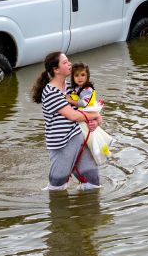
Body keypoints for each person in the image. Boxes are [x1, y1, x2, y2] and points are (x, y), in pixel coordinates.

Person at [31, 51, 102, 191]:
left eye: (68, 61)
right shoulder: (50, 92)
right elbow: (73, 116)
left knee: (93, 183)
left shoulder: (70, 88)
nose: (69, 64)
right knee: (57, 187)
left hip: (79, 139)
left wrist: (97, 119)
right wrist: (94, 115)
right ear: (56, 70)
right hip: (61, 144)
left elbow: (87, 109)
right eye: (65, 62)